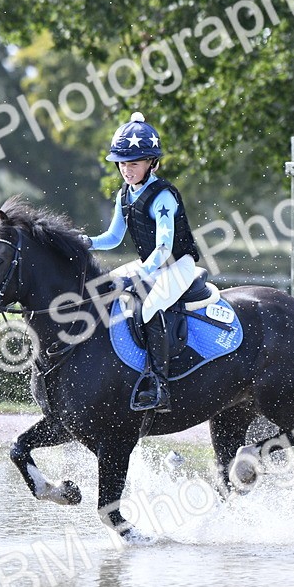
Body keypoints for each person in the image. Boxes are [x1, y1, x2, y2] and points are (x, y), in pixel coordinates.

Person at [81, 111, 201, 412]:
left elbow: (164, 247)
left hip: (176, 264)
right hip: (151, 263)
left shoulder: (163, 197)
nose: (126, 169)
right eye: (122, 163)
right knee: (103, 288)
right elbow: (112, 237)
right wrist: (86, 242)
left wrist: (140, 275)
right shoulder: (125, 194)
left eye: (133, 163)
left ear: (152, 163)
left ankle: (158, 384)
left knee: (149, 307)